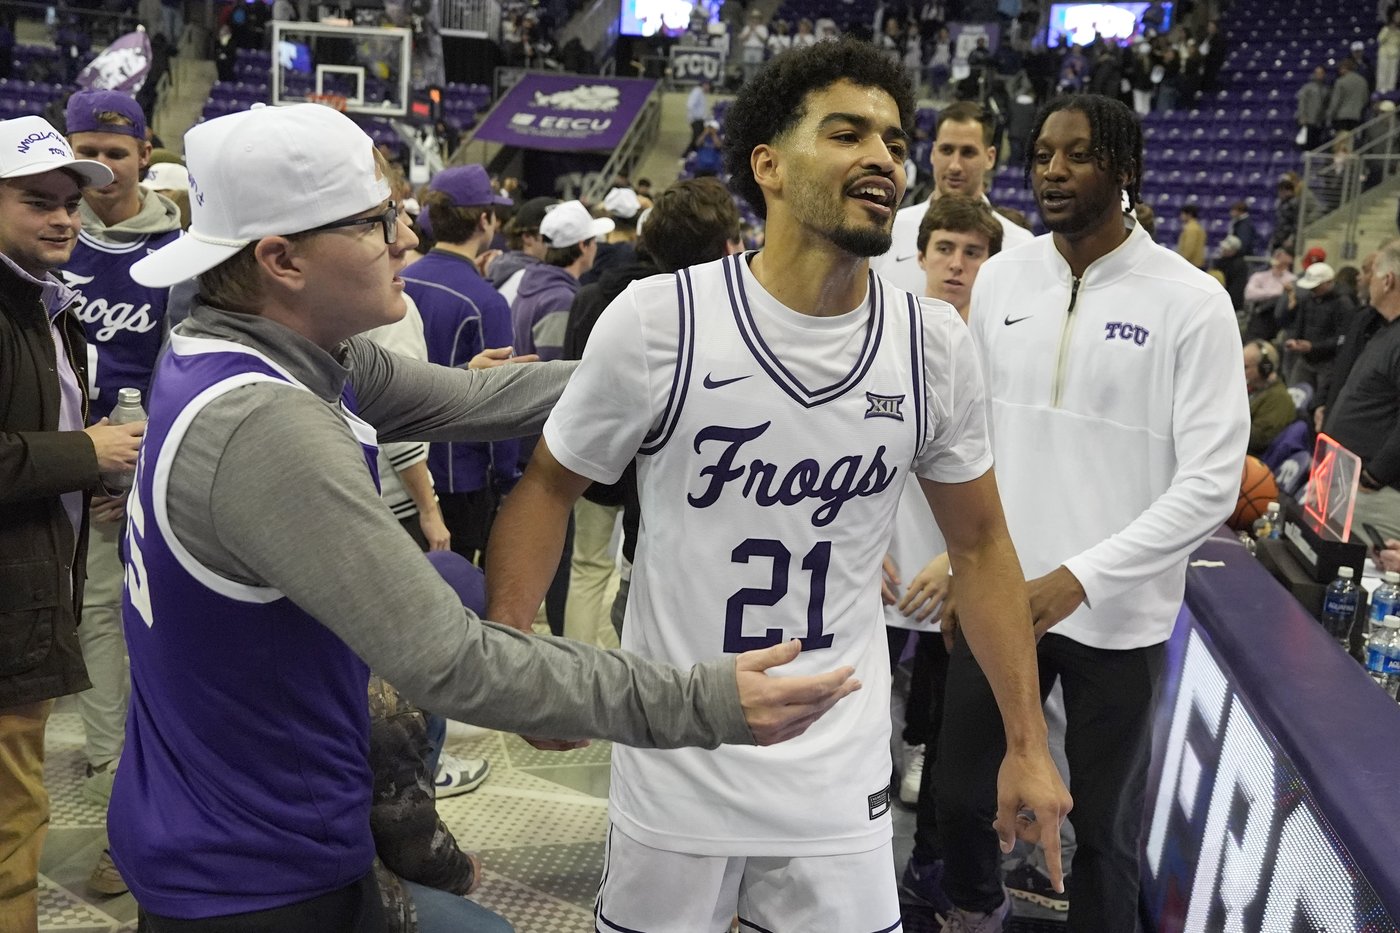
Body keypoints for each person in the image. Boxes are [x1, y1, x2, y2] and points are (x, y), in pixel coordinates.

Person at [110, 102, 861, 931]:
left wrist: (689, 368)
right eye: (374, 222)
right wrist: (703, 700)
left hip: (218, 820)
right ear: (281, 259)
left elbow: (479, 395)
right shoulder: (265, 425)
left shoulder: (261, 349)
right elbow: (451, 661)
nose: (405, 238)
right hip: (253, 872)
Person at [484, 39, 1069, 933]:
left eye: (893, 140)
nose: (883, 155)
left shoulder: (933, 346)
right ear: (770, 167)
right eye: (848, 134)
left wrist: (1027, 742)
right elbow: (548, 484)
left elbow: (983, 545)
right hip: (677, 751)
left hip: (836, 774)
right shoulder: (661, 321)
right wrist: (517, 657)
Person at [936, 94, 1249, 932]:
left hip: (1122, 614)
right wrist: (955, 553)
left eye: (1076, 155)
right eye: (1041, 155)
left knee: (1105, 837)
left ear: (1126, 170)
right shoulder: (1004, 276)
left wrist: (1079, 578)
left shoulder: (1192, 301)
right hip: (1005, 594)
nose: (1053, 170)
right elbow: (973, 437)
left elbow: (1213, 481)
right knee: (957, 797)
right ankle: (971, 910)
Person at [0, 116, 137, 933]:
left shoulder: (45, 306)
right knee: (13, 824)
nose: (62, 218)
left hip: (33, 592)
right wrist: (80, 455)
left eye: (70, 204)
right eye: (37, 201)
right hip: (9, 611)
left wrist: (83, 482)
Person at [59, 91, 185, 896]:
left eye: (115, 150)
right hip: (55, 467)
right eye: (85, 151)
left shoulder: (178, 250)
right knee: (86, 636)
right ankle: (118, 799)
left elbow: (187, 370)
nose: (101, 168)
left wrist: (136, 470)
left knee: (142, 638)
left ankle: (138, 817)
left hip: (140, 477)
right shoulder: (46, 234)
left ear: (143, 153)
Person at [402, 165, 521, 568]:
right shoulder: (486, 302)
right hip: (461, 477)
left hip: (401, 470)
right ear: (484, 220)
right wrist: (508, 478)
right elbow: (500, 403)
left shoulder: (400, 280)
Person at [873, 100, 1034, 295]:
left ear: (990, 157)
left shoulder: (1020, 246)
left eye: (968, 153)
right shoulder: (888, 229)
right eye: (947, 151)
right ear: (933, 153)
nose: (955, 166)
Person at [1318, 238, 1400, 541]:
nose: (1369, 282)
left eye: (1374, 274)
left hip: (1374, 495)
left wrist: (1375, 475)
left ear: (1388, 280)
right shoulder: (1385, 330)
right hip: (1345, 478)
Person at [510, 199, 610, 361]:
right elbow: (554, 374)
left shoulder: (535, 285)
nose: (596, 247)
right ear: (583, 246)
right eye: (594, 241)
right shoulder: (560, 300)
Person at [1244, 339, 1296, 456]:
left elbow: (1258, 440)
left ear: (1264, 369)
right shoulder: (1253, 389)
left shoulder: (1279, 399)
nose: (1240, 371)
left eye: (1245, 367)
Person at [1176, 203, 1205, 269]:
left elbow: (1189, 248)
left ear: (1189, 215)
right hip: (1195, 263)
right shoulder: (1197, 227)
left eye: (1182, 214)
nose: (1181, 216)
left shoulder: (1191, 228)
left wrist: (1182, 261)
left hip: (1191, 264)